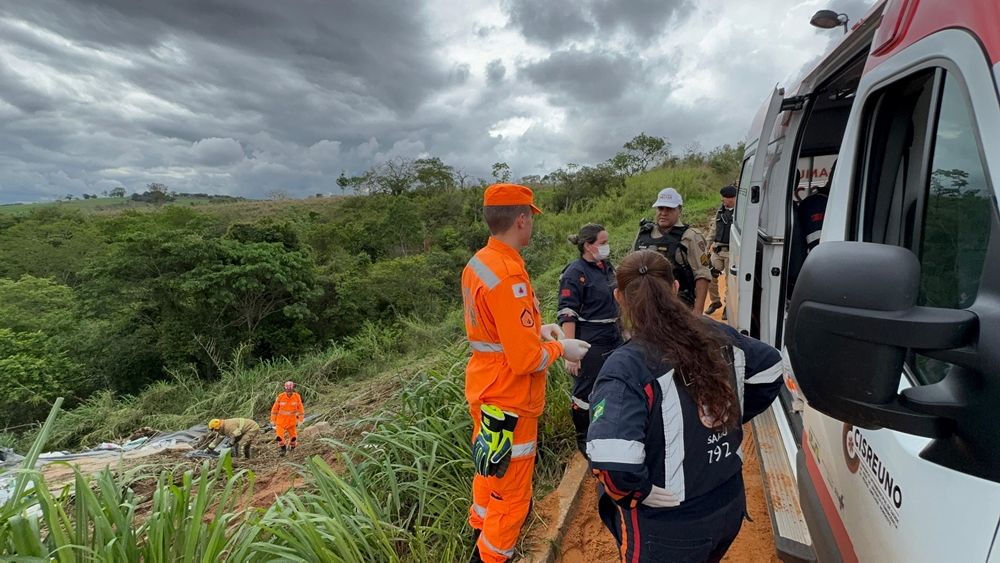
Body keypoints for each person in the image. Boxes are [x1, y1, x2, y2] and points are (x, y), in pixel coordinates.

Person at [587, 250, 784, 562]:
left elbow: (613, 462)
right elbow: (772, 367)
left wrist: (640, 492)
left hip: (670, 529)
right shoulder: (717, 334)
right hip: (727, 505)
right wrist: (729, 417)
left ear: (619, 298)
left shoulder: (627, 365)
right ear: (675, 287)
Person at [462, 183, 592, 563]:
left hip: (486, 387)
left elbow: (497, 331)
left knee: (489, 472)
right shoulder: (508, 276)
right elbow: (524, 361)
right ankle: (493, 556)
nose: (531, 225)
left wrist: (539, 330)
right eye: (530, 218)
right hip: (511, 399)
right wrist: (559, 347)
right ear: (521, 219)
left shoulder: (480, 263)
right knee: (513, 495)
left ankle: (478, 537)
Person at [557, 223, 622, 455]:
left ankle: (609, 431)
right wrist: (570, 353)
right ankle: (585, 443)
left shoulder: (605, 267)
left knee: (613, 385)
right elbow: (568, 314)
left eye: (607, 242)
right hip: (589, 343)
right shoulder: (575, 273)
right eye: (602, 243)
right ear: (587, 246)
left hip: (613, 336)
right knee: (585, 392)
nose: (607, 247)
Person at [633, 187, 712, 313]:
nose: (663, 213)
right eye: (660, 208)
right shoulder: (644, 234)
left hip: (679, 307)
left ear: (680, 210)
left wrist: (697, 313)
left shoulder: (691, 236)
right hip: (646, 307)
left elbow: (702, 275)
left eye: (669, 209)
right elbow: (632, 267)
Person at [707, 185, 738, 318]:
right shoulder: (720, 211)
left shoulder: (740, 213)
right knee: (710, 274)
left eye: (724, 197)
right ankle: (715, 302)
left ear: (732, 198)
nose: (722, 200)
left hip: (732, 251)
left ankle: (728, 306)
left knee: (730, 281)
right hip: (718, 250)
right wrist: (707, 244)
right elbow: (714, 229)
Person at [270, 380, 305, 456]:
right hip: (280, 421)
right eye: (287, 390)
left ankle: (292, 448)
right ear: (285, 389)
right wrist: (273, 420)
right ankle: (283, 449)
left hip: (292, 421)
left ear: (293, 389)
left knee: (293, 438)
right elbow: (274, 409)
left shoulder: (297, 396)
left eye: (290, 389)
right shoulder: (280, 397)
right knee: (279, 437)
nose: (289, 391)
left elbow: (300, 409)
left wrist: (300, 420)